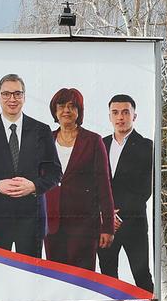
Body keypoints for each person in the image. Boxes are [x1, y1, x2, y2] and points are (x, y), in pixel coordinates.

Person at [0, 74, 59, 257]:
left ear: (24, 97)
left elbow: (55, 173)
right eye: (6, 94)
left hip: (31, 220)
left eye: (17, 94)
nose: (12, 99)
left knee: (30, 273)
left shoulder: (41, 130)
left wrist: (34, 186)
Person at [43, 88, 115, 270]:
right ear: (55, 110)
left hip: (84, 226)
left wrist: (107, 227)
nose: (66, 110)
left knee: (82, 280)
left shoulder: (93, 141)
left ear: (79, 111)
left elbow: (104, 186)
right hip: (52, 225)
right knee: (55, 279)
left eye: (72, 106)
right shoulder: (45, 141)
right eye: (61, 106)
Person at [97, 94, 155, 292]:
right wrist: (104, 215)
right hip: (104, 226)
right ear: (110, 116)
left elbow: (145, 188)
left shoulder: (147, 147)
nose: (120, 117)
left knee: (142, 276)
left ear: (134, 116)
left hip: (134, 223)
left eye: (125, 112)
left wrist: (119, 216)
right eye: (115, 112)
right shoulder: (99, 144)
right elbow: (91, 184)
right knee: (107, 278)